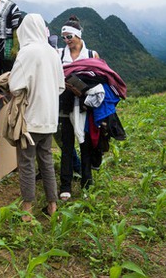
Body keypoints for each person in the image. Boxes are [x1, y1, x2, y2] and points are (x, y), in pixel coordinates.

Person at [8, 14, 65, 220]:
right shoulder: (52, 52)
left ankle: (27, 209)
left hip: (30, 120)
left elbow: (15, 87)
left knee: (26, 163)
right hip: (49, 119)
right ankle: (52, 205)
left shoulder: (26, 53)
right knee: (46, 161)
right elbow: (61, 86)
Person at [58, 15, 100, 199]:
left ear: (78, 35)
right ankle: (65, 185)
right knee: (67, 147)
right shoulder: (59, 54)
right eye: (64, 38)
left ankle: (87, 182)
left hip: (85, 107)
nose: (67, 41)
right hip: (65, 106)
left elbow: (100, 79)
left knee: (86, 146)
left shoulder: (91, 55)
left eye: (70, 37)